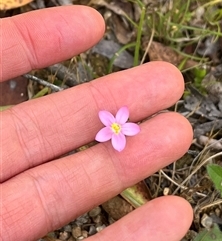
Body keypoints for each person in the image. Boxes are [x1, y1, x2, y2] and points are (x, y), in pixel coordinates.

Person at [1, 5, 193, 241]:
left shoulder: (121, 128)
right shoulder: (109, 128)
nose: (116, 127)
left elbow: (121, 129)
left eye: (117, 127)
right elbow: (106, 131)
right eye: (115, 126)